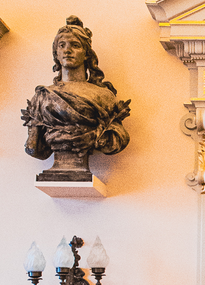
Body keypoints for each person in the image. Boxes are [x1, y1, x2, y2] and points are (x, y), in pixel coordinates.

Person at [22, 16, 130, 177]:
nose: (67, 50)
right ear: (56, 53)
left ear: (86, 54)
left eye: (75, 45)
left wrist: (95, 136)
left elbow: (118, 137)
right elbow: (34, 148)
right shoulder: (42, 97)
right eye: (62, 45)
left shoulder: (102, 96)